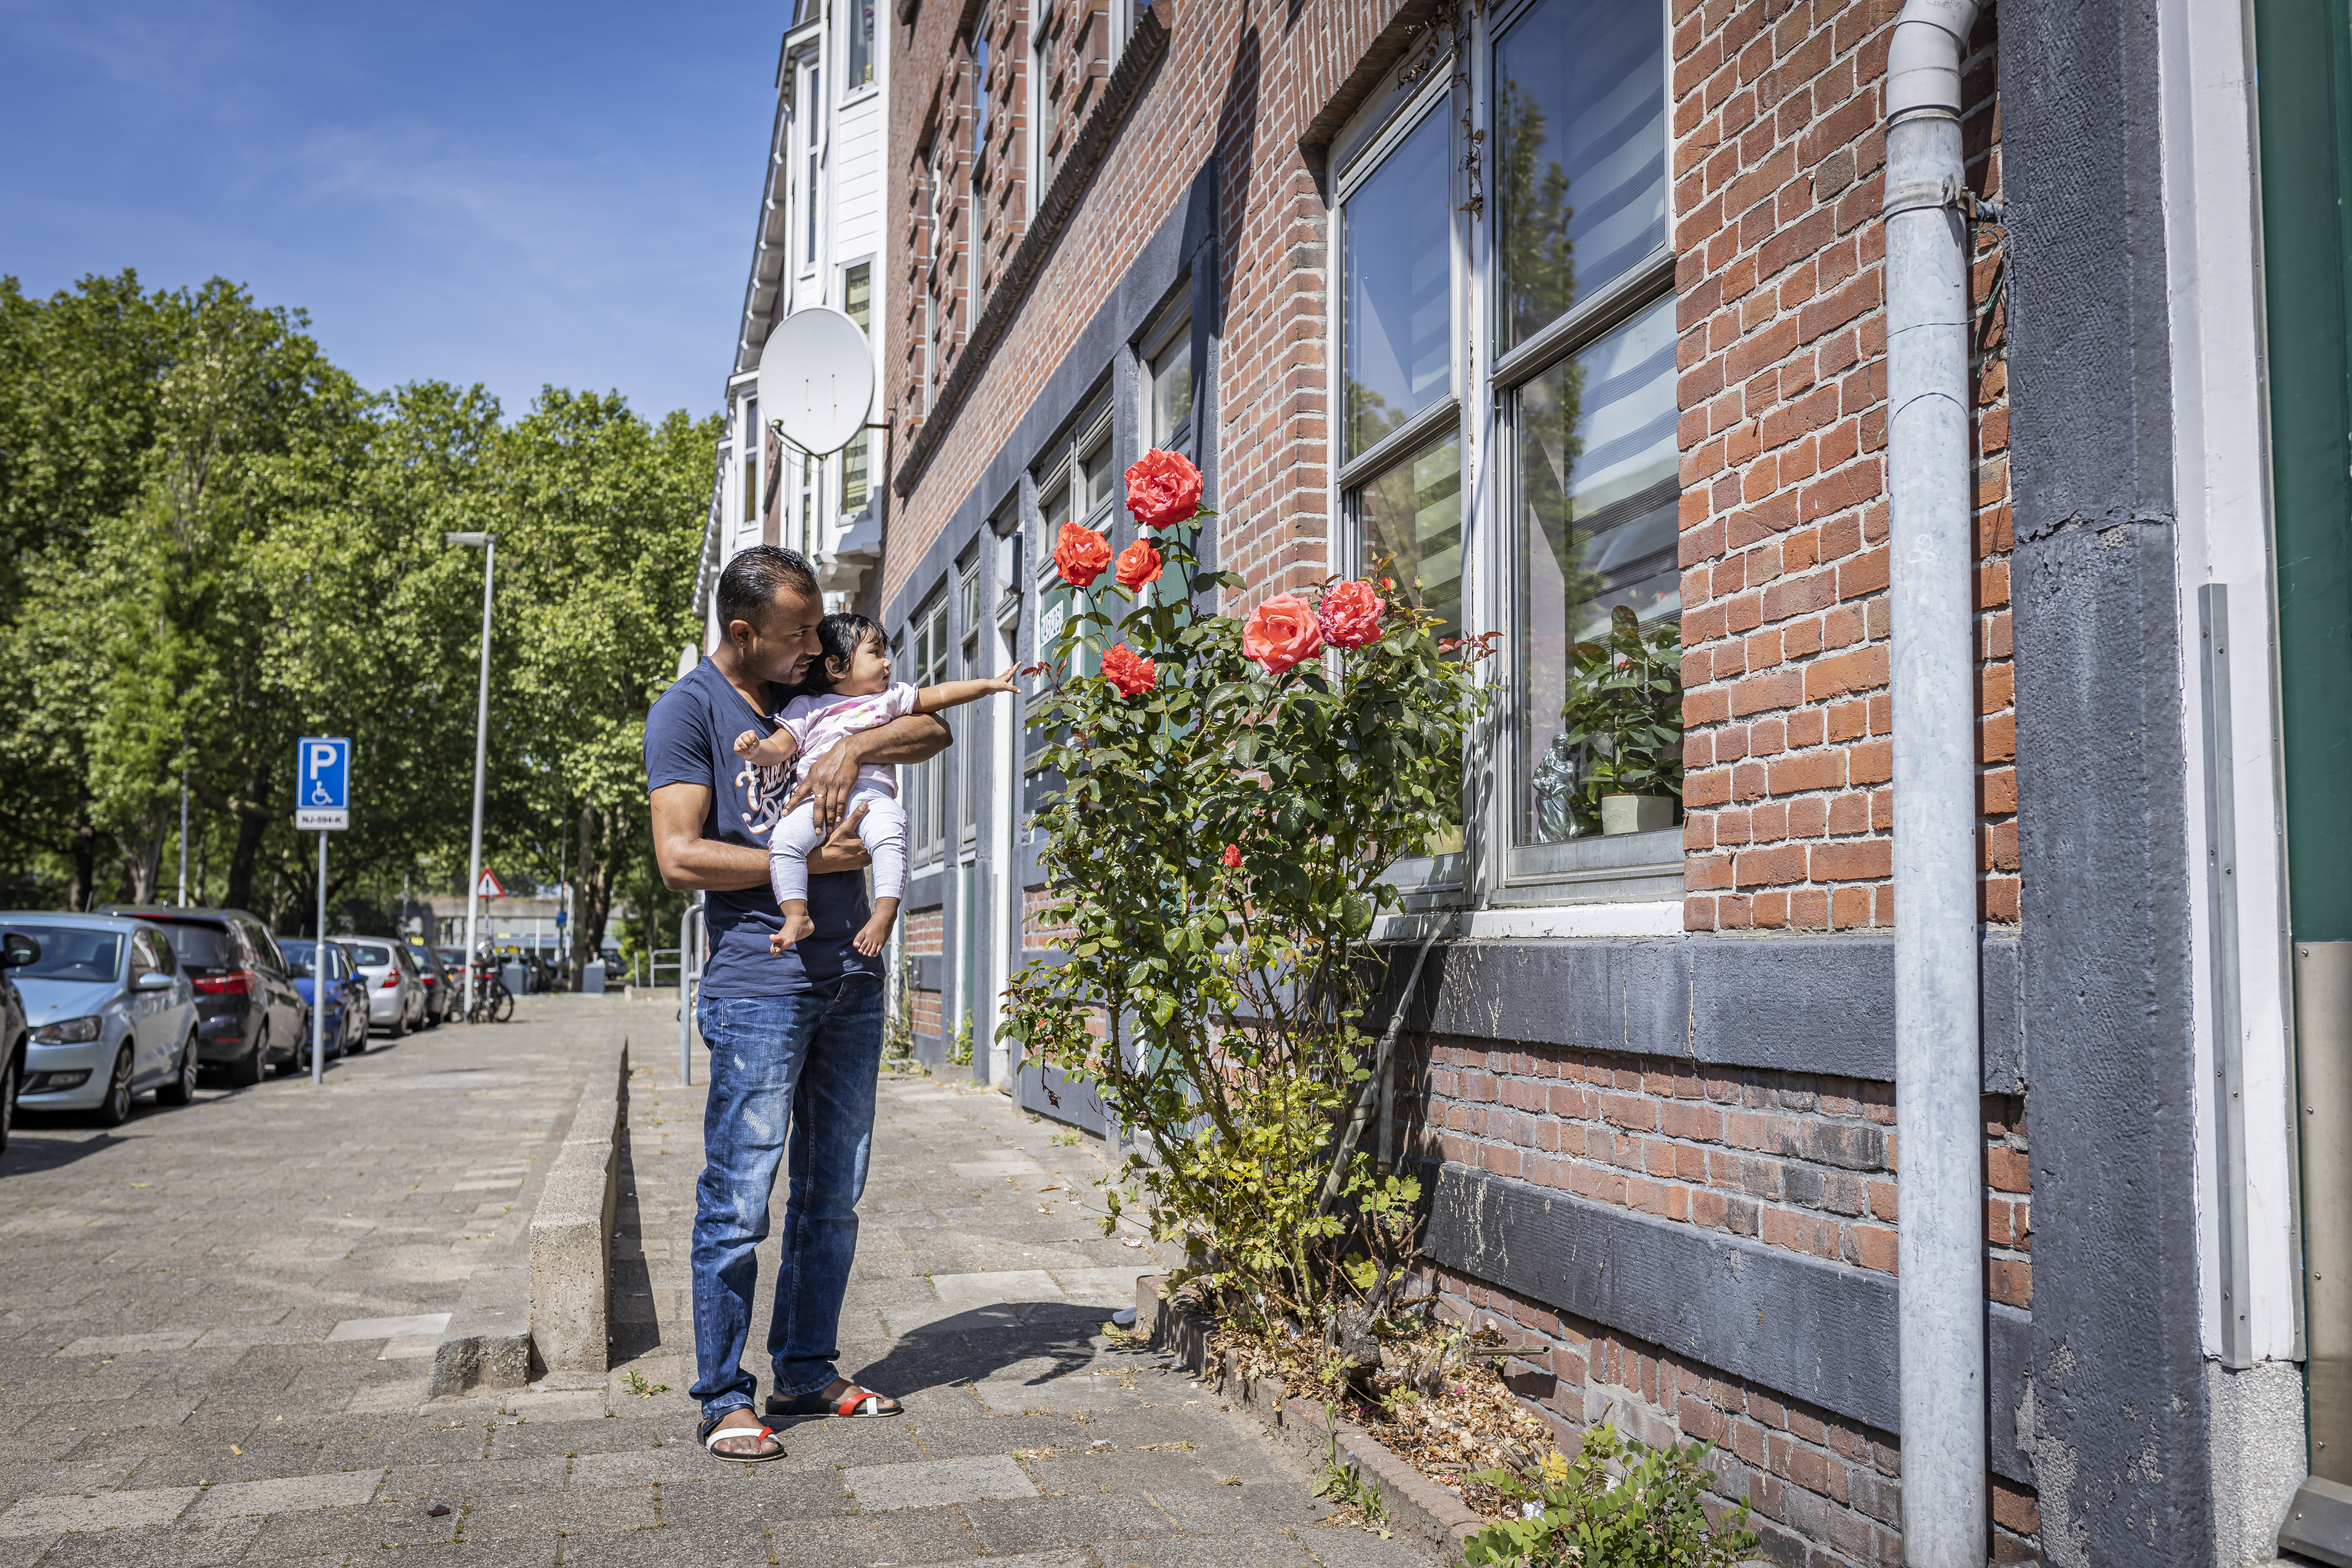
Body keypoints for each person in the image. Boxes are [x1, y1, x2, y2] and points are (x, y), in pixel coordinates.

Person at [645, 545, 952, 1463]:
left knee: (835, 1196)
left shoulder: (808, 687)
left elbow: (931, 730)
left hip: (850, 978)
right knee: (740, 1197)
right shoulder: (691, 711)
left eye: (819, 630)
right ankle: (722, 1396)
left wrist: (855, 739)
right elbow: (680, 858)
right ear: (744, 633)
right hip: (759, 987)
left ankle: (808, 1370)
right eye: (796, 633)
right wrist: (810, 865)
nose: (815, 645)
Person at [733, 612, 1015, 958]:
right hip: (816, 805)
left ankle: (884, 912)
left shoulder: (891, 698)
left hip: (871, 799)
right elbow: (780, 748)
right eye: (875, 652)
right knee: (785, 841)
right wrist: (756, 749)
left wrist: (988, 685)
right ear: (836, 667)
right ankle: (796, 916)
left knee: (890, 832)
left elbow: (939, 695)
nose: (887, 662)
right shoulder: (807, 708)